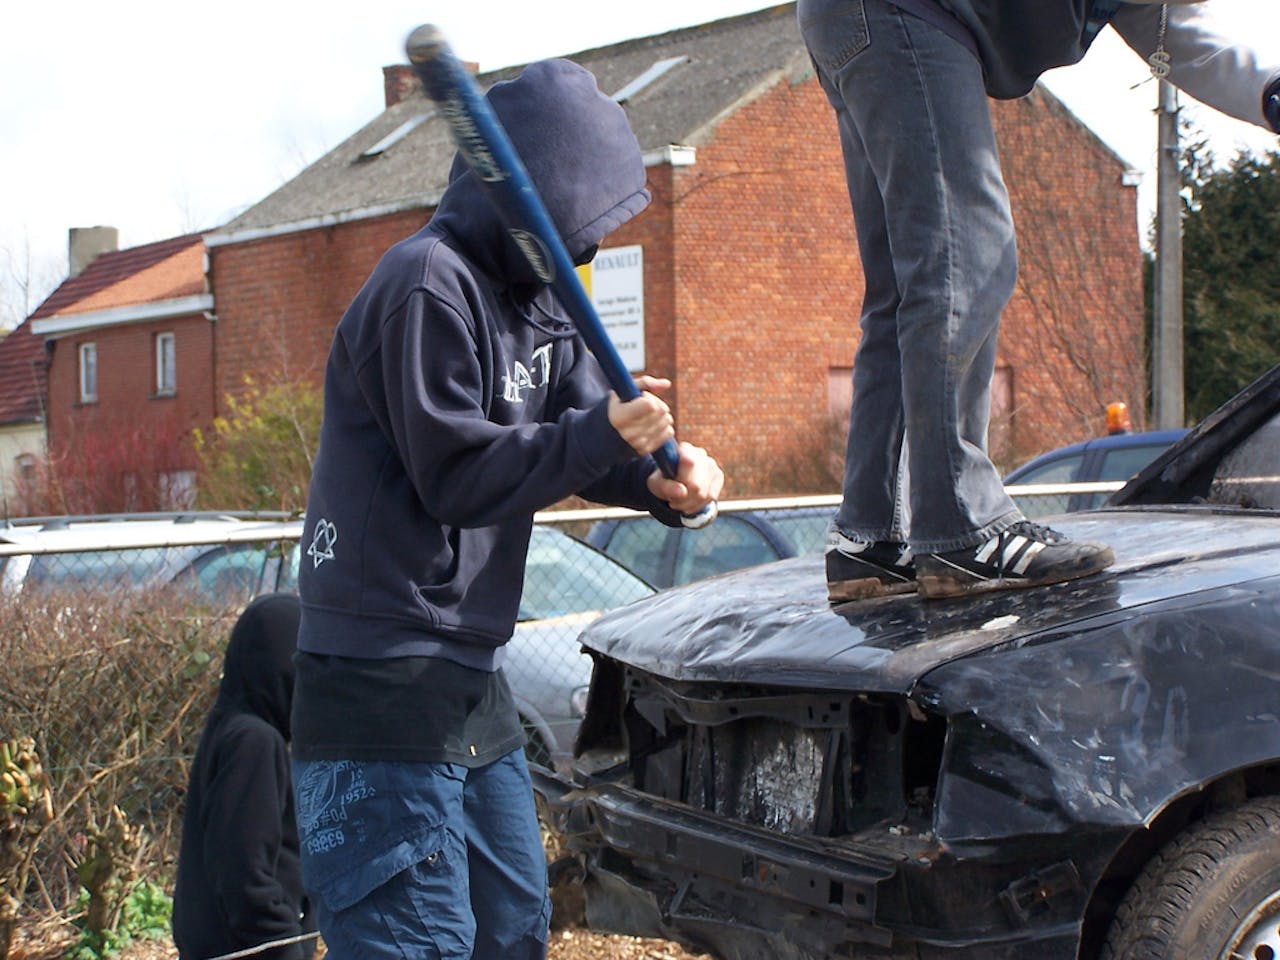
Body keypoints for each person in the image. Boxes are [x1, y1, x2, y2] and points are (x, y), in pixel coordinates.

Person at [289, 58, 722, 960]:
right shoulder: (425, 285)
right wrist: (603, 434)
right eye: (574, 230)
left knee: (512, 926)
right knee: (418, 943)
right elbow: (460, 475)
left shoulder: (541, 301)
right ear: (530, 203)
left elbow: (571, 441)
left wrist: (661, 484)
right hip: (378, 672)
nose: (585, 254)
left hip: (468, 671)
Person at [798, 0, 1280, 603]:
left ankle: (872, 537)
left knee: (908, 280)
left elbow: (1175, 31)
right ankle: (961, 528)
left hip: (858, 19)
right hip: (908, 15)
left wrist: (1269, 90)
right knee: (965, 254)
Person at [173, 592, 316, 960]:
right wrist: (283, 944)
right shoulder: (254, 742)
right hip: (249, 949)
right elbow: (243, 872)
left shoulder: (231, 725)